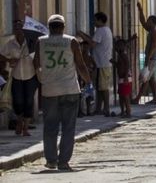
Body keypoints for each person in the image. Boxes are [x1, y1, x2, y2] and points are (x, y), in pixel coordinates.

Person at [34, 14, 92, 171]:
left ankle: (51, 160)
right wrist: (88, 81)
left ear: (49, 26)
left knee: (50, 126)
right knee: (68, 127)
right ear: (63, 27)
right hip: (70, 89)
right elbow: (80, 65)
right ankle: (64, 161)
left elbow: (36, 64)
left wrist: (43, 79)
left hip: (49, 90)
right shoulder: (71, 41)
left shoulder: (41, 42)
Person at [0, 19, 39, 136]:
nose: (18, 30)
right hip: (16, 76)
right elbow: (1, 55)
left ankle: (25, 127)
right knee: (18, 102)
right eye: (16, 28)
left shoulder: (32, 43)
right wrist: (9, 60)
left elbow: (38, 56)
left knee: (28, 101)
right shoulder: (10, 44)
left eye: (20, 28)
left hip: (31, 76)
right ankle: (19, 122)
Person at [76, 12, 113, 116]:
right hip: (102, 62)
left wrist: (81, 34)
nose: (94, 22)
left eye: (95, 20)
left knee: (103, 87)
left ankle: (106, 108)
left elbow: (92, 43)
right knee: (100, 87)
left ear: (100, 20)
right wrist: (84, 35)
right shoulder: (106, 30)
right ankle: (98, 108)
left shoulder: (101, 30)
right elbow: (93, 40)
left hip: (102, 62)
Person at [134, 2, 156, 105]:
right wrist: (140, 10)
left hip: (152, 59)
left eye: (149, 21)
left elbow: (154, 46)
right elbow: (143, 22)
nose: (147, 22)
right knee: (151, 80)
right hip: (151, 58)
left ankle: (137, 99)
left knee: (145, 79)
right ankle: (155, 98)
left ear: (153, 22)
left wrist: (148, 58)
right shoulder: (151, 30)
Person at [113, 39, 132, 118]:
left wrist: (125, 78)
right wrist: (114, 63)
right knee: (121, 96)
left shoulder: (124, 55)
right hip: (122, 78)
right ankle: (123, 111)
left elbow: (127, 65)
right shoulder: (120, 56)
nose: (117, 47)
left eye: (120, 45)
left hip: (125, 78)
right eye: (117, 45)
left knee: (125, 96)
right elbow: (120, 66)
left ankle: (128, 112)